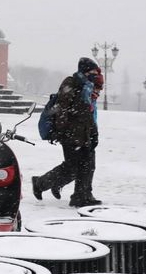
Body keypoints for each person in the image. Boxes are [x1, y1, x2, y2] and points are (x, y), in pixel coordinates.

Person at [32, 56, 103, 207]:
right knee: (71, 167)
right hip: (70, 134)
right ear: (84, 71)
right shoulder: (71, 82)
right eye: (92, 71)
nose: (95, 75)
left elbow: (89, 113)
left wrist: (94, 132)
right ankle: (39, 183)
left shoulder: (89, 88)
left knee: (88, 165)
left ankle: (82, 195)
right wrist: (62, 131)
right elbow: (62, 108)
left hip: (85, 133)